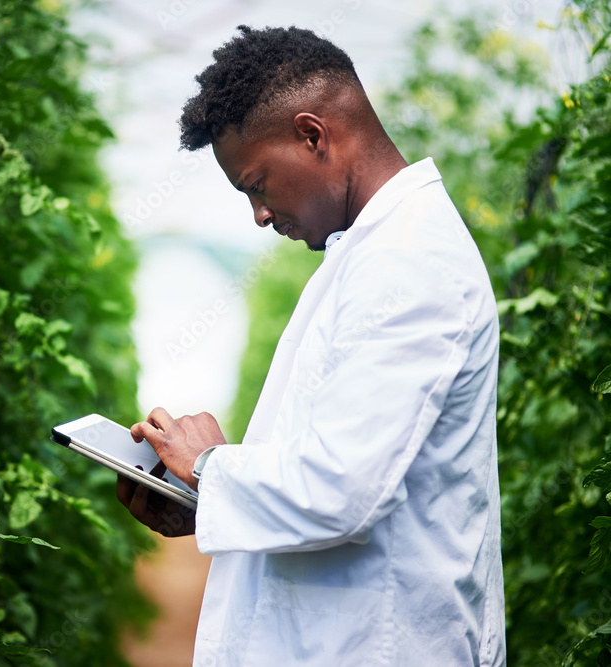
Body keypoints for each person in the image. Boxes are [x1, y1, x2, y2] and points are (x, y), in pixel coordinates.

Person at [116, 25, 505, 666]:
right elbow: (342, 464)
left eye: (257, 184)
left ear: (313, 135)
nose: (260, 216)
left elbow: (340, 489)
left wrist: (211, 466)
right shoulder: (371, 253)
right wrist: (206, 502)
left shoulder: (410, 263)